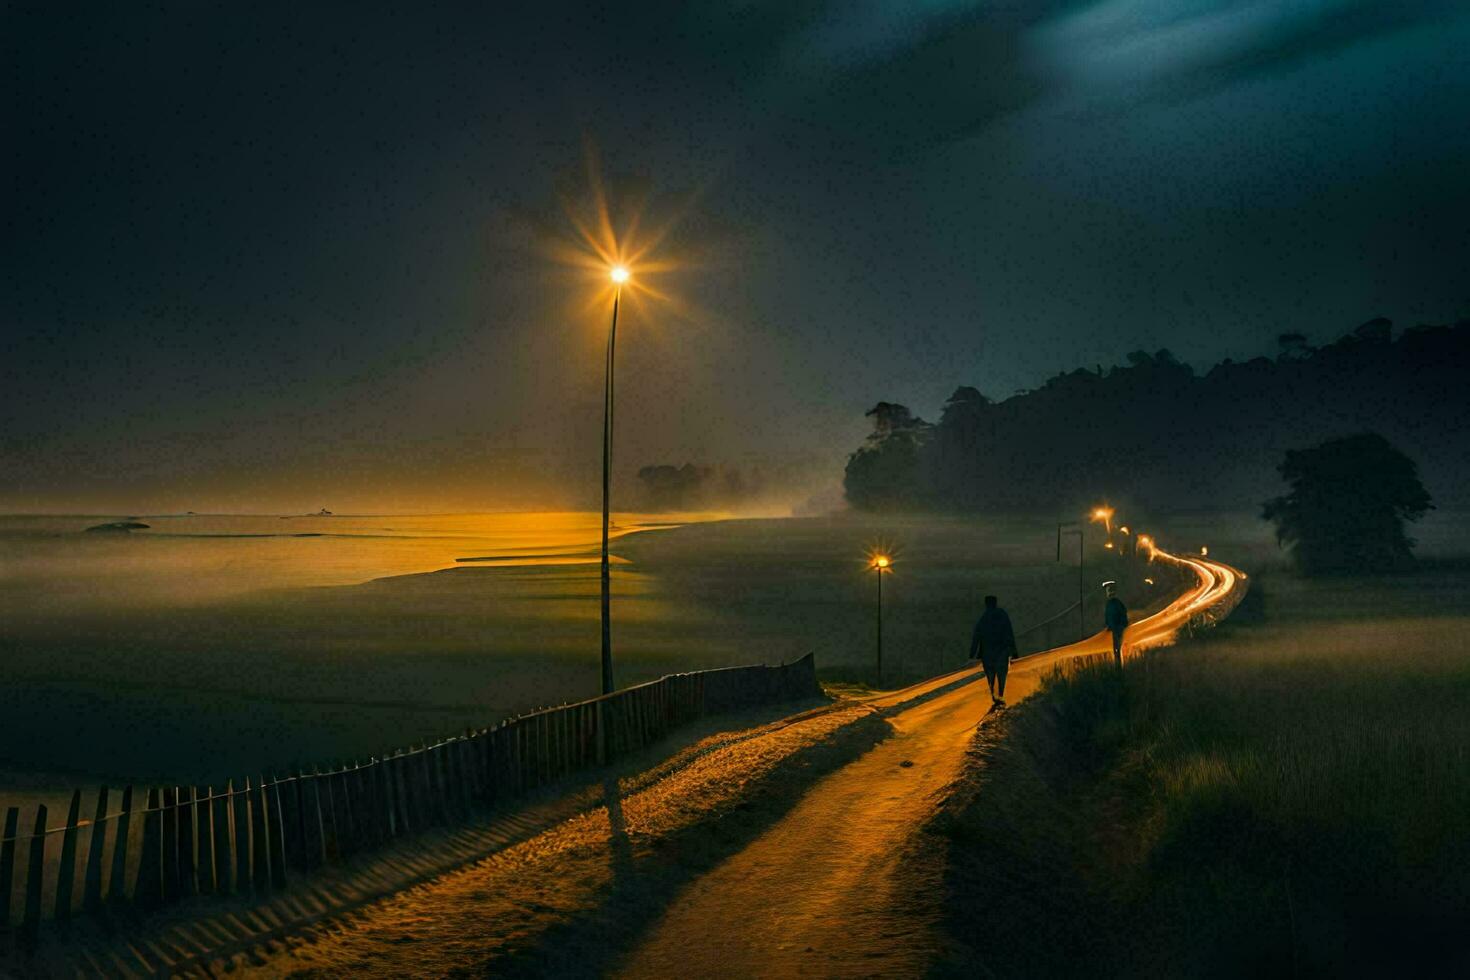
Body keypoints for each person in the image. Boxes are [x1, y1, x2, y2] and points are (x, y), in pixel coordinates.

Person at [969, 595, 1017, 706]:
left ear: (986, 604)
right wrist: (1014, 651)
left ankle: (994, 695)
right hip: (1002, 649)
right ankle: (1000, 694)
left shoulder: (983, 618)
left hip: (987, 651)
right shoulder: (1002, 615)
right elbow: (1009, 632)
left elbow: (977, 636)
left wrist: (972, 653)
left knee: (990, 674)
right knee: (1002, 673)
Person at [1104, 582, 1129, 668]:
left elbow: (1111, 616)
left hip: (1117, 629)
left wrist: (1113, 626)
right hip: (1116, 629)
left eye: (1108, 591)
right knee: (1116, 649)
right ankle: (1118, 666)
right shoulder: (1115, 603)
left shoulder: (1112, 604)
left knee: (1117, 649)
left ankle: (1119, 668)